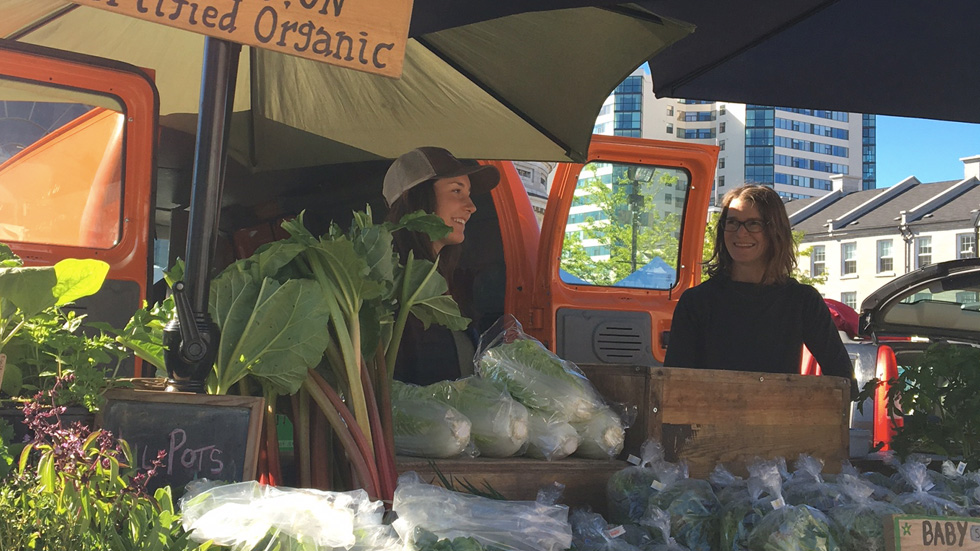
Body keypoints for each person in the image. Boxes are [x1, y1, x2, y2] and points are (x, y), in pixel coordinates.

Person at [663, 185, 854, 384]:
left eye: (753, 224)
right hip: (707, 414)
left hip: (779, 414)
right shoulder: (696, 302)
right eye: (732, 223)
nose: (740, 233)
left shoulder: (803, 301)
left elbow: (845, 382)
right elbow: (673, 384)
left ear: (775, 230)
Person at [383, 146, 500, 385]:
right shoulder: (386, 287)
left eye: (468, 193)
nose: (471, 206)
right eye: (456, 190)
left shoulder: (442, 281)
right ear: (414, 198)